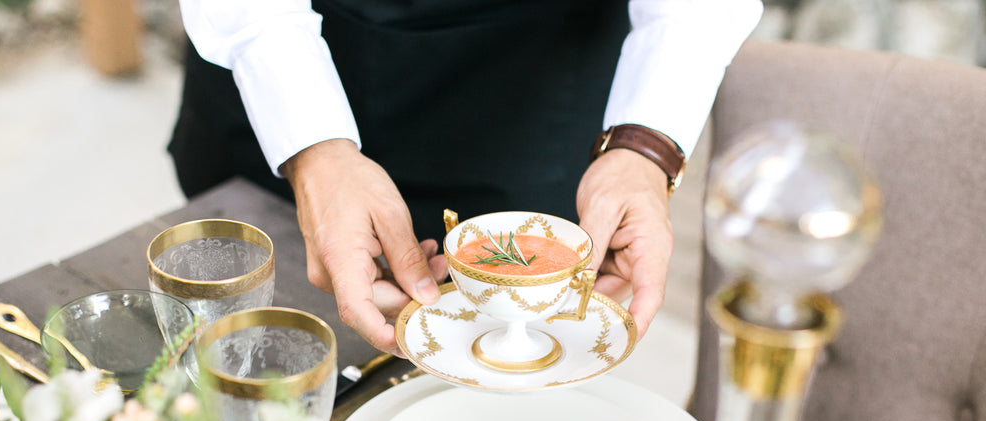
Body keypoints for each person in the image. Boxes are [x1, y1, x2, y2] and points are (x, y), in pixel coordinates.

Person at [170, 0, 763, 353]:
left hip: (533, 76)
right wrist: (309, 145)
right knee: (240, 367)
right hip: (281, 56)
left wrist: (644, 147)